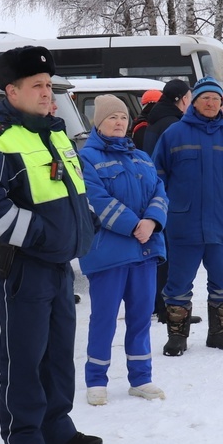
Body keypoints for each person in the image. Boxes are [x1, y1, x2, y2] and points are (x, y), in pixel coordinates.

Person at [0, 46, 100, 444]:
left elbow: (70, 191)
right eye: (38, 87)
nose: (47, 94)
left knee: (58, 351)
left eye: (49, 86)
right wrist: (41, 237)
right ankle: (24, 438)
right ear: (12, 91)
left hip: (59, 264)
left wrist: (85, 226)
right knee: (25, 355)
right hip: (23, 265)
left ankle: (56, 426)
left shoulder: (53, 131)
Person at [78, 95, 169, 405]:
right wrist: (134, 225)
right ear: (98, 123)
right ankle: (96, 380)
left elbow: (159, 190)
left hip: (144, 251)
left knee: (142, 317)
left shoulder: (141, 157)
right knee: (104, 318)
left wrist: (153, 221)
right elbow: (95, 200)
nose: (119, 123)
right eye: (111, 118)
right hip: (108, 253)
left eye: (122, 118)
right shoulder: (86, 158)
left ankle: (141, 378)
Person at [152, 76, 223, 356]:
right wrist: (172, 203)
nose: (211, 103)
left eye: (216, 99)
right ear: (194, 101)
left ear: (222, 105)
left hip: (220, 224)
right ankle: (177, 337)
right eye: (205, 98)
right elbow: (158, 175)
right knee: (178, 283)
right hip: (183, 224)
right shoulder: (174, 134)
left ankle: (220, 333)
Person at [135, 78, 194, 324]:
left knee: (163, 252)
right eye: (189, 97)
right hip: (168, 194)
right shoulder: (173, 124)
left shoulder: (158, 119)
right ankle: (167, 308)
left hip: (158, 192)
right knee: (169, 253)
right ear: (180, 98)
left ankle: (161, 305)